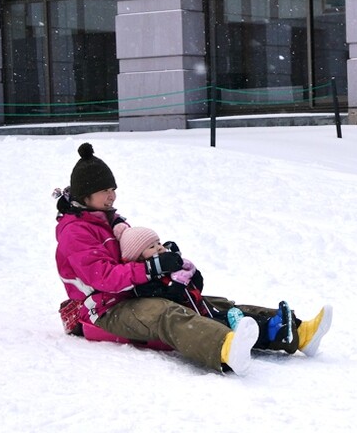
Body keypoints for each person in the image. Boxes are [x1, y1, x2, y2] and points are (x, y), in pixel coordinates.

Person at [55, 142, 332, 376]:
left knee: (207, 303)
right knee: (166, 314)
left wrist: (160, 252)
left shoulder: (111, 221)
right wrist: (150, 268)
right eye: (105, 191)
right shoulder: (75, 232)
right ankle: (223, 348)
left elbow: (131, 253)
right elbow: (103, 278)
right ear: (86, 195)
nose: (112, 195)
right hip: (105, 310)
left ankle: (296, 332)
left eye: (113, 189)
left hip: (133, 295)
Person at [114, 224, 296, 346]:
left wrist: (189, 271)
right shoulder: (143, 282)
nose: (160, 248)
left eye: (159, 243)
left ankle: (275, 326)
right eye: (152, 247)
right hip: (193, 321)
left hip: (203, 310)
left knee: (236, 316)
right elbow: (167, 300)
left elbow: (197, 285)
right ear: (137, 256)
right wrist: (178, 281)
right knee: (232, 325)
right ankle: (271, 332)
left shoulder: (167, 269)